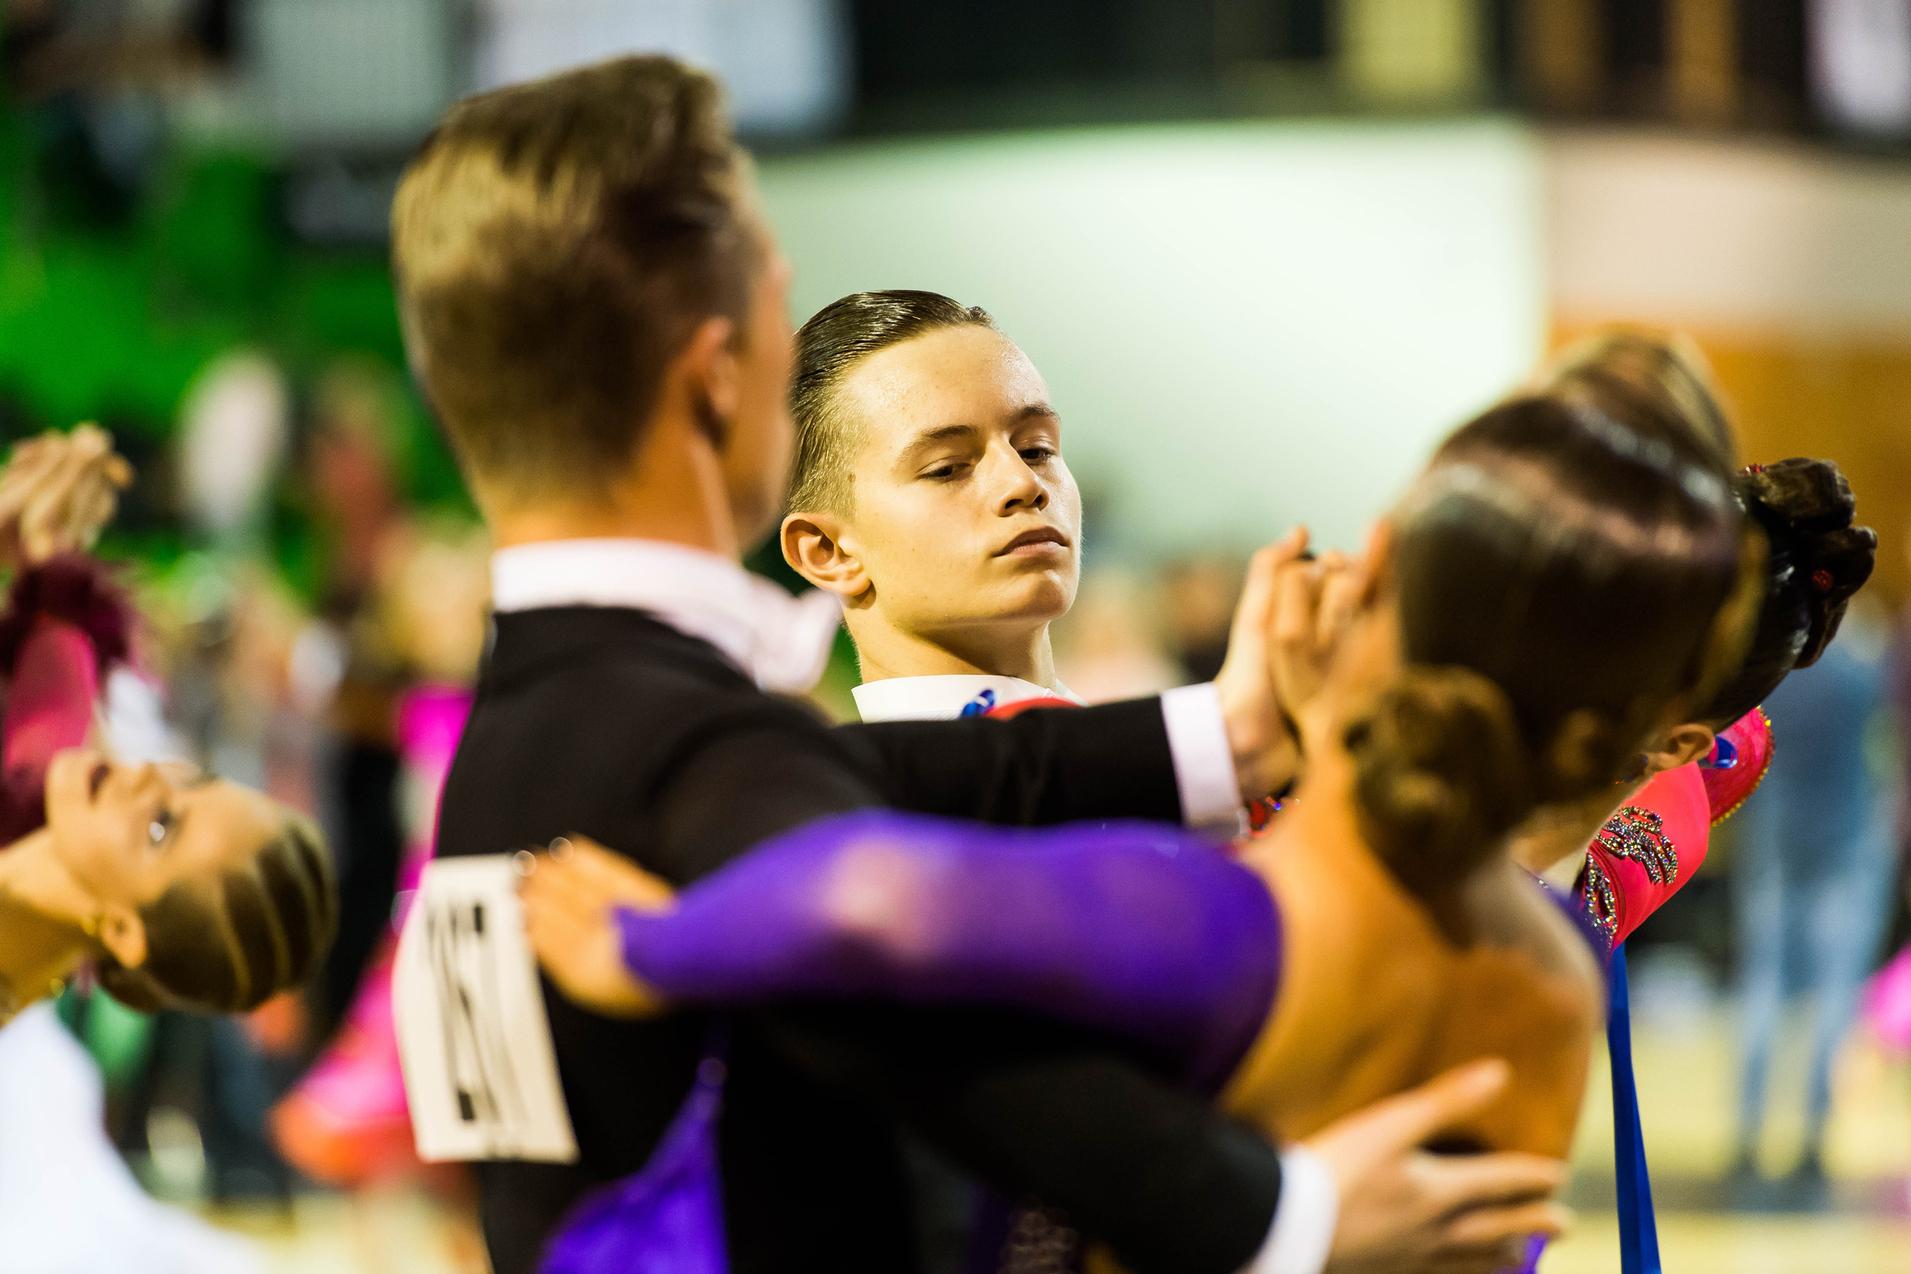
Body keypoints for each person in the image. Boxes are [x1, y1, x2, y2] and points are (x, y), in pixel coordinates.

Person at [390, 53, 1563, 1274]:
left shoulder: (512, 744)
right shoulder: (692, 743)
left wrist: (1224, 734)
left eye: (1035, 445)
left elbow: (908, 780)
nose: (1015, 483)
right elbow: (876, 919)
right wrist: (1285, 1216)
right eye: (771, 303)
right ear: (719, 377)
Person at [524, 359, 1762, 1268]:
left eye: (1036, 446)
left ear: (1370, 579)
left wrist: (653, 944)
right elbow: (1721, 761)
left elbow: (870, 902)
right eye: (951, 465)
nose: (1019, 487)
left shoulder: (1231, 911)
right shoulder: (1557, 951)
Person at [0, 428, 336, 1022]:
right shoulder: (51, 718)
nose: (150, 779)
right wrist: (41, 519)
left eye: (161, 828)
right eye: (192, 781)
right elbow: (51, 586)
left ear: (126, 930)